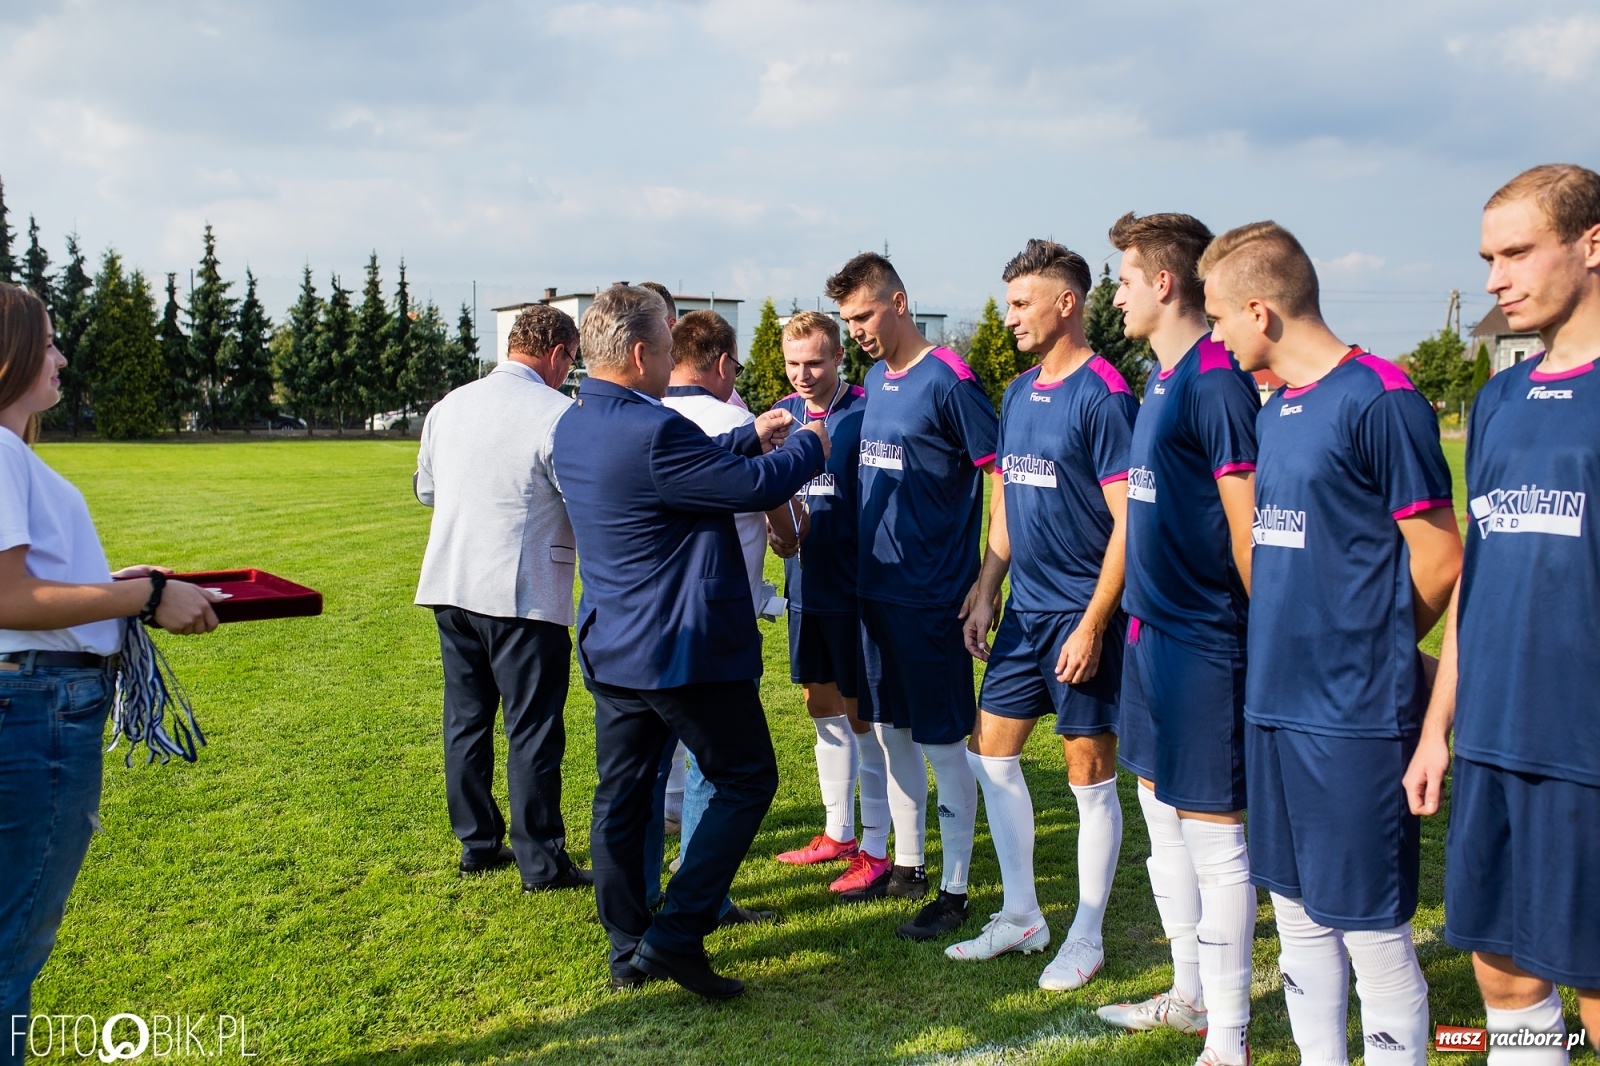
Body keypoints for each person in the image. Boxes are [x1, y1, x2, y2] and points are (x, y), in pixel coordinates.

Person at [1204, 222, 1460, 1065]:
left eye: (1220, 318)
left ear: (1261, 309)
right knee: (1298, 913)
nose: (1217, 337)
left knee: (1373, 932)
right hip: (1273, 702)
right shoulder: (1278, 407)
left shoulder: (1382, 399)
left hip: (1352, 714)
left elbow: (1440, 559)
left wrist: (1376, 646)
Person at [551, 285, 827, 999]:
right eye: (669, 348)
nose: (675, 359)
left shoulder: (576, 424)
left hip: (616, 647)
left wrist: (746, 434)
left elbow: (676, 474)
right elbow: (749, 484)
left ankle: (627, 947)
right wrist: (807, 444)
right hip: (682, 650)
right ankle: (676, 933)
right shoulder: (656, 433)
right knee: (747, 778)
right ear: (641, 354)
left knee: (624, 794)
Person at [1405, 163, 1600, 1063]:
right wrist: (1440, 728)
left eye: (1517, 253)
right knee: (1505, 976)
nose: (1494, 279)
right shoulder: (1498, 399)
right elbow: (1479, 574)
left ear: (1592, 245)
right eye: (1488, 258)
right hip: (1490, 740)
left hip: (1584, 752)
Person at [0, 282, 222, 1065]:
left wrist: (115, 580)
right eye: (50, 343)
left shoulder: (12, 455)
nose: (60, 356)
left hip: (32, 696)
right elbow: (8, 597)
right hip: (32, 706)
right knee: (12, 945)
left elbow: (37, 582)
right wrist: (149, 595)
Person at [1094, 213, 1259, 1066]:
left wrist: (1270, 640)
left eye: (1123, 277)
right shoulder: (1159, 381)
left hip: (1204, 643)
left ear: (1164, 284)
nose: (1112, 293)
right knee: (1163, 819)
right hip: (1150, 639)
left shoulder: (1216, 380)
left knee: (1216, 839)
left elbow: (1248, 528)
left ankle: (1227, 1038)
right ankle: (1188, 992)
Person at [952, 240, 1136, 993]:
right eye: (1007, 304)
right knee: (988, 753)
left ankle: (1087, 935)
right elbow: (1008, 495)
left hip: (1082, 615)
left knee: (1088, 775)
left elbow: (1131, 523)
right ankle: (1023, 914)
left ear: (1067, 303)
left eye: (1021, 304)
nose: (1010, 318)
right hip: (1024, 613)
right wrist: (988, 582)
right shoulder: (1019, 390)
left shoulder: (1106, 393)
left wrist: (1095, 622)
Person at [827, 252, 999, 941]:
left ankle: (956, 890)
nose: (858, 331)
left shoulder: (951, 380)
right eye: (848, 320)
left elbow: (999, 478)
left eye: (865, 315)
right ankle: (908, 864)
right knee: (892, 732)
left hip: (933, 598)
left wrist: (986, 585)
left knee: (941, 741)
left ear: (899, 303)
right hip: (876, 592)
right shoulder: (873, 378)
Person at [414, 303, 591, 892]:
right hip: (523, 591)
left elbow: (426, 489)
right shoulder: (559, 413)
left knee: (466, 719)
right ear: (561, 354)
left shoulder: (449, 405)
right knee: (533, 727)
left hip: (452, 581)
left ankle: (477, 842)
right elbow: (580, 500)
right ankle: (541, 859)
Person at [660, 309, 783, 927]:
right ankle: (702, 895)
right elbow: (777, 512)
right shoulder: (738, 421)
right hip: (718, 615)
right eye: (734, 366)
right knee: (724, 767)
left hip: (642, 621)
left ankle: (638, 895)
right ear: (719, 363)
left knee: (644, 766)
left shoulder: (646, 415)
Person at [764, 311, 888, 879]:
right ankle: (838, 831)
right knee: (821, 707)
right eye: (793, 363)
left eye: (814, 362)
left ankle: (876, 839)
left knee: (864, 716)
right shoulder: (781, 418)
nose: (802, 374)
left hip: (856, 588)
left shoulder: (866, 411)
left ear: (839, 357)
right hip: (804, 587)